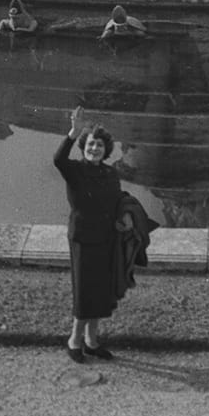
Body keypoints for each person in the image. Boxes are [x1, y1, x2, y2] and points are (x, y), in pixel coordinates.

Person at [54, 107, 134, 361]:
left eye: (99, 145)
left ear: (106, 150)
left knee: (100, 291)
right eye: (90, 144)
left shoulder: (111, 173)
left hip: (106, 238)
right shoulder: (74, 170)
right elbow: (58, 160)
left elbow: (115, 202)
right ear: (83, 147)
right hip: (83, 239)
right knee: (85, 291)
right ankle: (74, 340)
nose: (94, 149)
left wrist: (126, 218)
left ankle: (91, 341)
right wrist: (72, 133)